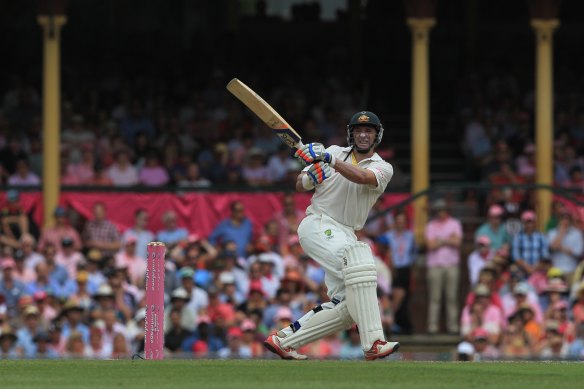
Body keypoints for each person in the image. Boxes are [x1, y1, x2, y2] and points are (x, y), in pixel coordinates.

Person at [263, 111, 399, 361]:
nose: (363, 134)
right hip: (318, 224)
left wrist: (328, 160)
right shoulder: (334, 151)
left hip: (346, 233)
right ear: (351, 133)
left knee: (348, 306)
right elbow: (300, 182)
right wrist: (308, 178)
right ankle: (374, 342)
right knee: (361, 262)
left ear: (377, 135)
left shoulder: (382, 167)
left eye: (369, 130)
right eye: (359, 130)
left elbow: (363, 177)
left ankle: (284, 340)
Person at [425, 198, 463, 334]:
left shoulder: (455, 223)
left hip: (452, 265)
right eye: (438, 210)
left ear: (447, 210)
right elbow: (430, 245)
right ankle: (432, 327)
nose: (440, 212)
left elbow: (457, 242)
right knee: (434, 298)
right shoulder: (430, 225)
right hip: (434, 266)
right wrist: (448, 239)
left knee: (451, 297)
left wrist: (440, 240)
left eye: (442, 210)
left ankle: (453, 327)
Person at [512, 210, 549, 276]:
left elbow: (545, 256)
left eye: (531, 222)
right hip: (522, 271)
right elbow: (516, 256)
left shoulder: (541, 237)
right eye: (527, 222)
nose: (529, 225)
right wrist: (528, 268)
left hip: (538, 271)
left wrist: (534, 268)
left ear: (535, 223)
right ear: (523, 223)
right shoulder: (518, 237)